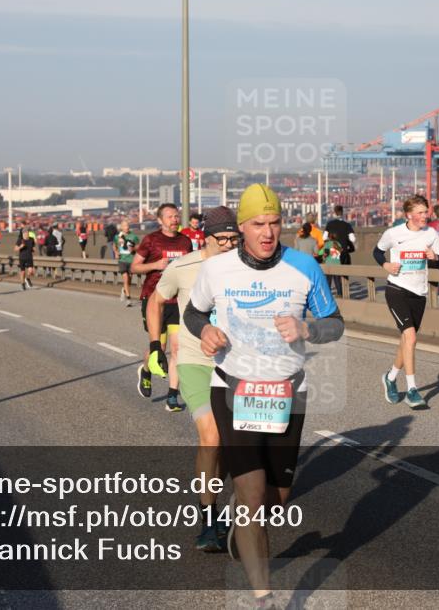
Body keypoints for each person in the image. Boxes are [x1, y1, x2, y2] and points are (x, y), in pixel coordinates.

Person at [184, 184, 344, 603]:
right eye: (258, 224)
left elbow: (336, 323)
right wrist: (206, 330)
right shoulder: (217, 270)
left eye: (274, 223)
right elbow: (193, 311)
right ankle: (264, 596)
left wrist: (308, 328)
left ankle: (243, 528)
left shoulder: (305, 266)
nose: (268, 232)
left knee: (277, 499)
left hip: (287, 393)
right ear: (242, 228)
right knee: (251, 496)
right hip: (232, 388)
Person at [146, 206, 239, 550]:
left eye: (234, 238)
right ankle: (208, 518)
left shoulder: (247, 267)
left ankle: (223, 496)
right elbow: (156, 301)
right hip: (195, 361)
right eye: (223, 238)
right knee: (211, 434)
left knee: (234, 442)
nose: (230, 244)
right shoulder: (183, 267)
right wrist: (155, 345)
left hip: (237, 364)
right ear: (205, 236)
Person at [375, 195, 439, 408]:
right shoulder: (394, 234)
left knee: (406, 340)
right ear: (409, 215)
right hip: (397, 289)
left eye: (426, 212)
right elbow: (377, 252)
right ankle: (413, 390)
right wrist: (386, 266)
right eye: (421, 212)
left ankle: (391, 377)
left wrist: (436, 258)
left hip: (419, 293)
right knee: (411, 338)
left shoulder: (431, 234)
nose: (425, 215)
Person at [131, 203, 192, 410]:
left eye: (176, 216)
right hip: (154, 300)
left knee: (177, 349)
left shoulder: (186, 241)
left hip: (177, 301)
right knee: (160, 348)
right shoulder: (151, 240)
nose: (174, 219)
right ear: (160, 220)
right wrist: (156, 265)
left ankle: (172, 396)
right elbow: (134, 266)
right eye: (169, 216)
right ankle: (146, 370)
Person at [324, 204, 356, 297]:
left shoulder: (330, 224)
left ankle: (329, 294)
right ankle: (342, 293)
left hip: (332, 253)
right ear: (343, 213)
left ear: (334, 212)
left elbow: (324, 237)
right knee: (343, 274)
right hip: (344, 253)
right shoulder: (347, 225)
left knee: (330, 275)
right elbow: (353, 239)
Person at [115, 221, 140, 306]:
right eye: (125, 226)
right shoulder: (117, 237)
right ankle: (128, 299)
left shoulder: (134, 237)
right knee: (125, 279)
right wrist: (115, 252)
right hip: (122, 261)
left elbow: (138, 247)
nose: (127, 227)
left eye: (128, 225)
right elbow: (114, 245)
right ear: (121, 227)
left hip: (131, 260)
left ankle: (124, 290)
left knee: (129, 280)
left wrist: (133, 249)